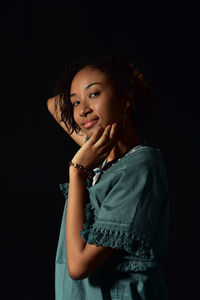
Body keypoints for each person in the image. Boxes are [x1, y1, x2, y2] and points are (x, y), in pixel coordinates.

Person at [47, 53, 169, 300]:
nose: (83, 110)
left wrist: (77, 172)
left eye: (94, 94)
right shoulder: (103, 159)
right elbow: (54, 104)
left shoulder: (140, 167)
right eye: (76, 102)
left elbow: (79, 266)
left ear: (125, 97)